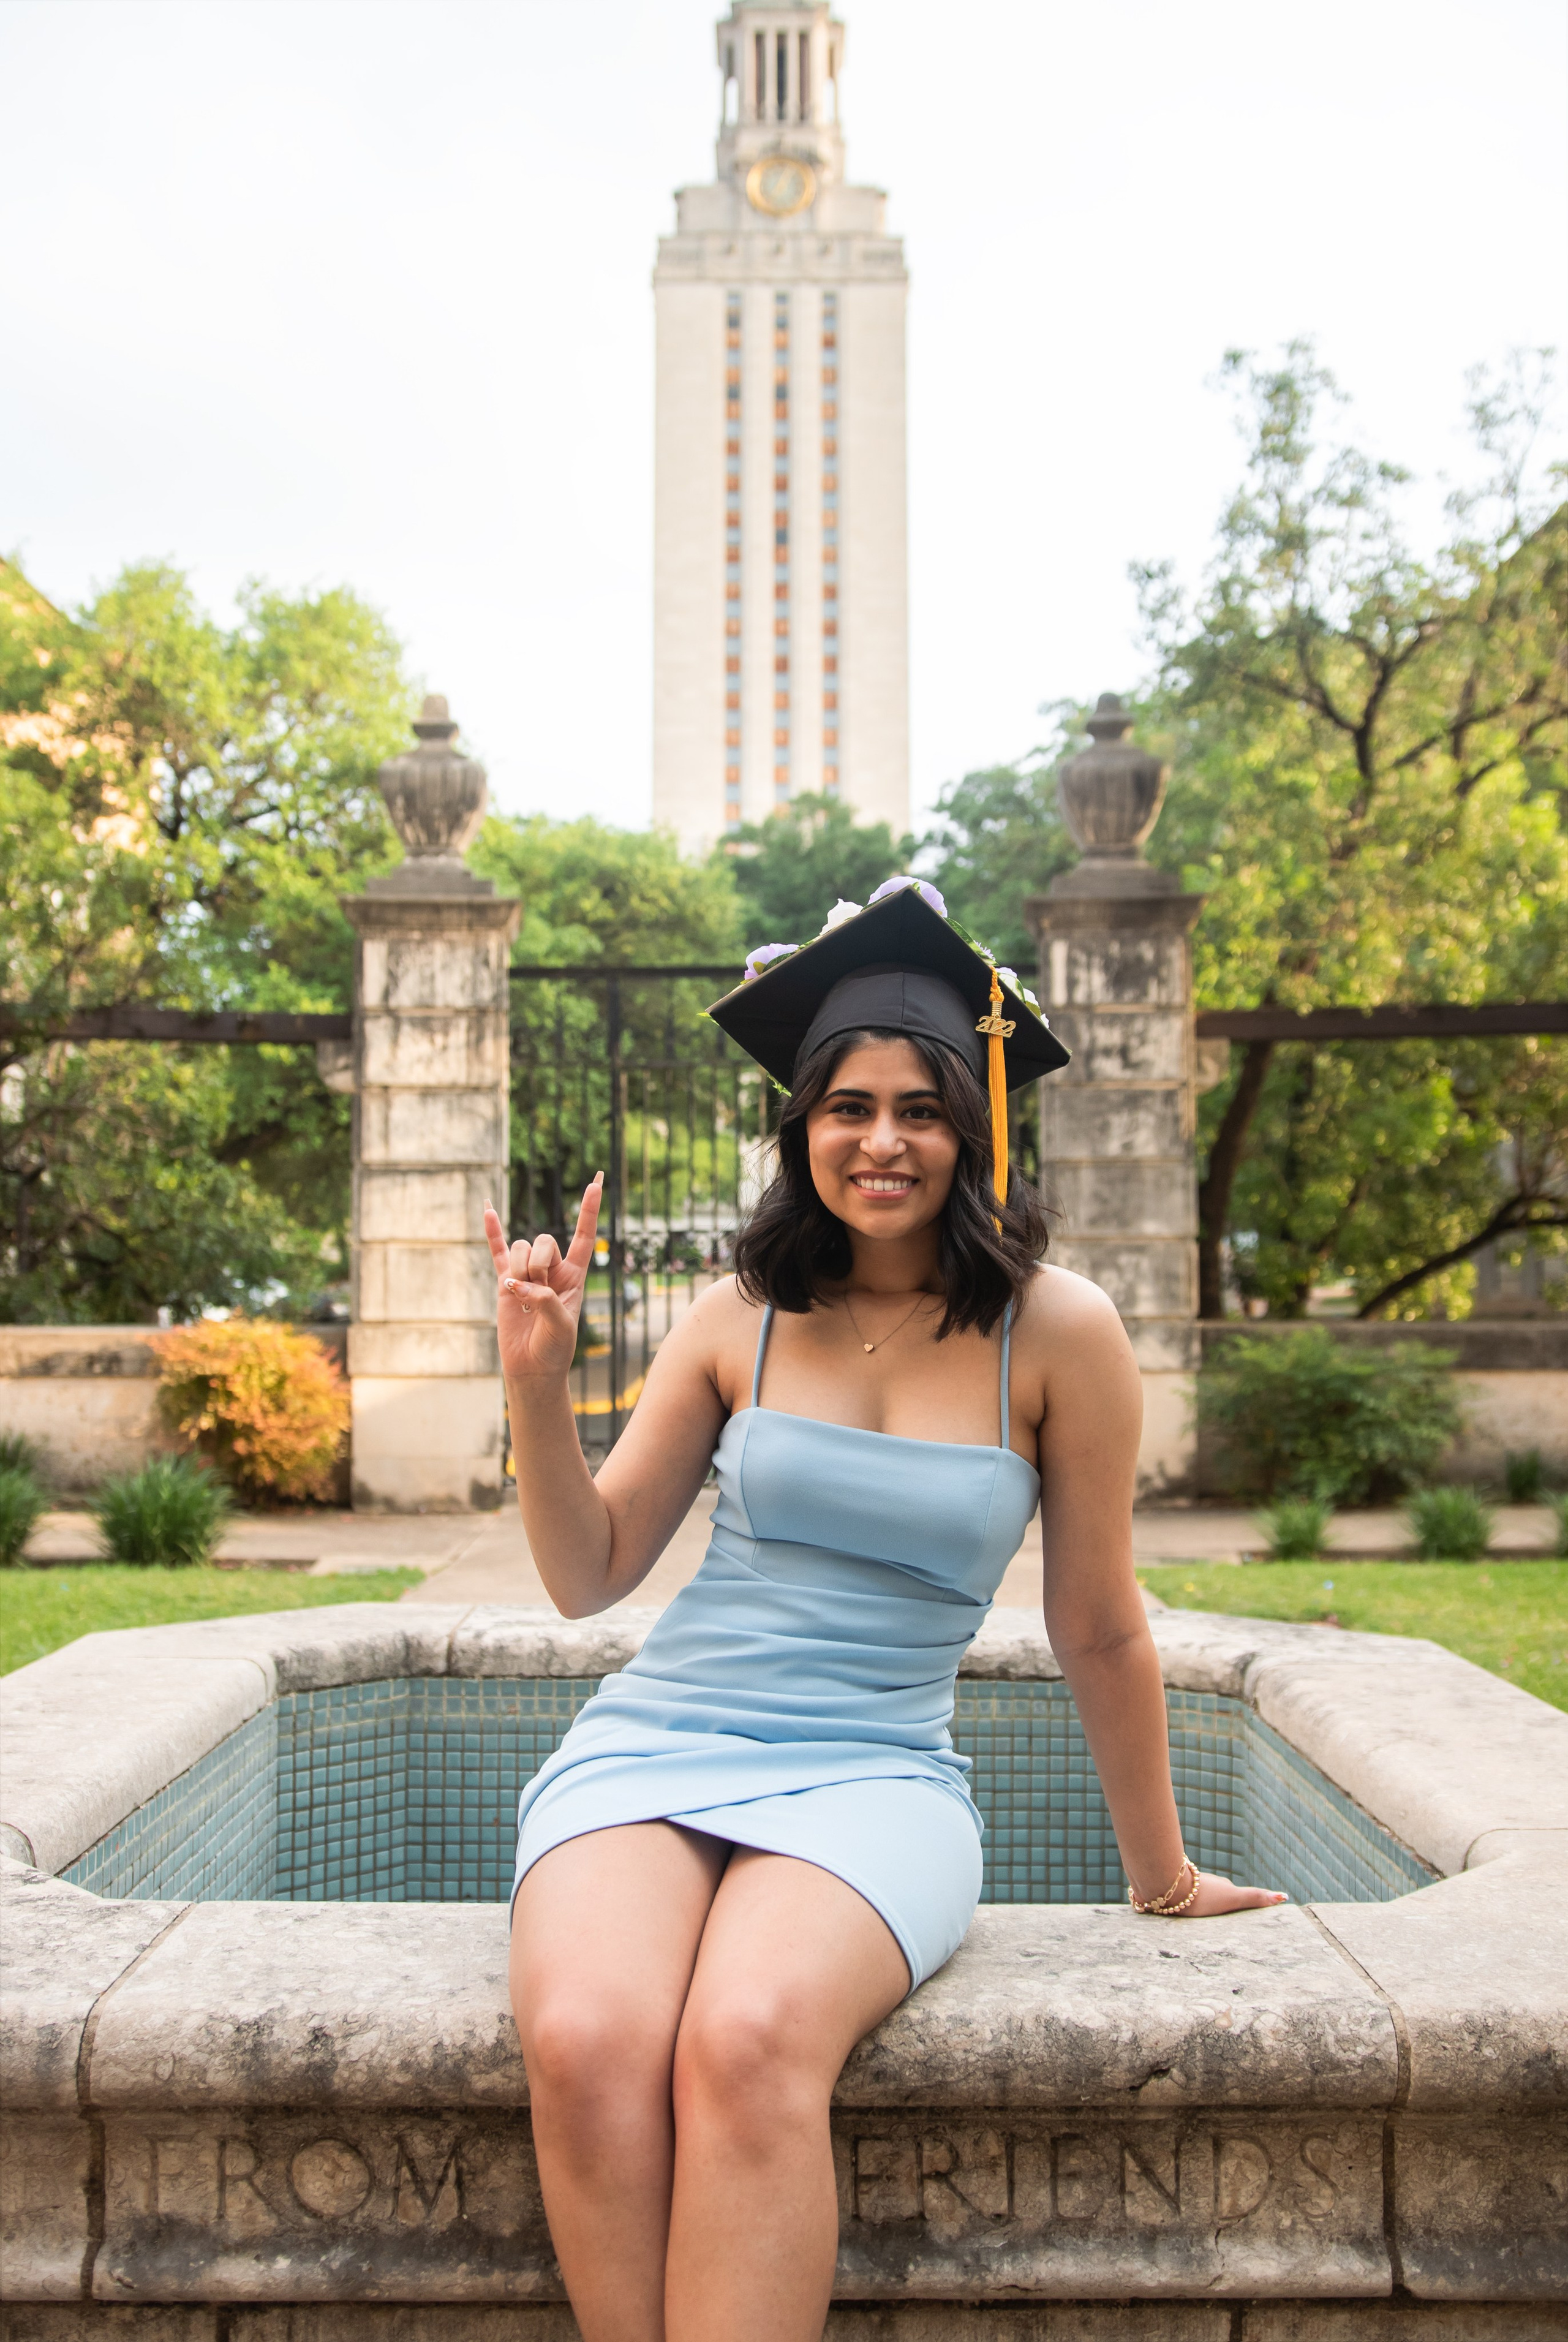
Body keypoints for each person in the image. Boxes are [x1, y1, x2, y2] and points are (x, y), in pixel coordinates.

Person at [484, 880, 1285, 2342]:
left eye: (920, 1108)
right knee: (591, 2037)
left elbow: (1097, 1623)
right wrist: (537, 1386)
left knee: (745, 2036)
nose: (882, 1139)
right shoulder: (735, 1318)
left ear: (972, 1131)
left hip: (874, 1773)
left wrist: (1160, 1873)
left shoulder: (1058, 1332)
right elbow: (587, 1570)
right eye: (846, 1105)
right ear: (801, 1127)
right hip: (653, 1745)